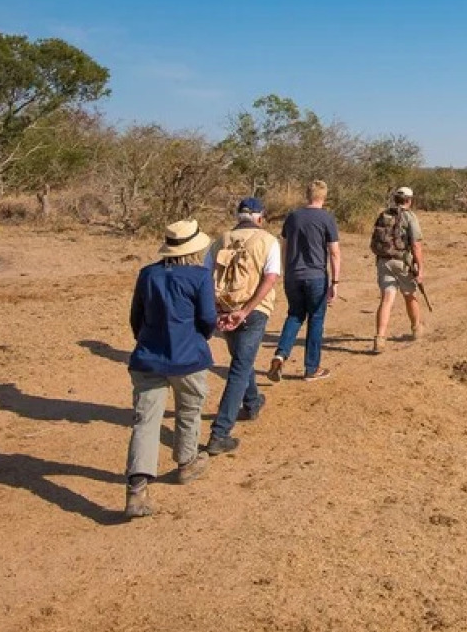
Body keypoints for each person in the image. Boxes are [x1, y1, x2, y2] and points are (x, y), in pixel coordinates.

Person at [124, 218, 216, 518]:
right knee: (189, 409)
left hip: (149, 356)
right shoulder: (200, 277)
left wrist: (148, 340)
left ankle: (137, 489)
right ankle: (186, 462)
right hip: (188, 357)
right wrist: (198, 338)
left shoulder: (147, 274)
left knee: (145, 421)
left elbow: (136, 318)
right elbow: (207, 319)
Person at [205, 197, 281, 455]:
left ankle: (251, 402)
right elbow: (271, 278)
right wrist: (246, 310)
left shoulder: (220, 240)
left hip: (224, 307)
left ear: (239, 216)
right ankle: (219, 433)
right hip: (253, 310)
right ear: (260, 217)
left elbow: (205, 276)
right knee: (239, 367)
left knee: (241, 359)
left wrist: (216, 310)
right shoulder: (269, 241)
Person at [271, 180, 341, 382]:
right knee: (316, 319)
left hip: (293, 275)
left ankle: (280, 354)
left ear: (307, 195)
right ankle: (311, 368)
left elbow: (283, 246)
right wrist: (335, 282)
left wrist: (285, 271)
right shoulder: (326, 218)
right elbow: (334, 252)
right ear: (324, 196)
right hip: (316, 276)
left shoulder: (292, 217)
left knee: (294, 315)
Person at [371, 185, 425, 354]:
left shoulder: (383, 214)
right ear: (409, 200)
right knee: (410, 295)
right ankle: (416, 329)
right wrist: (420, 268)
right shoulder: (410, 217)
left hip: (383, 261)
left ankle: (380, 338)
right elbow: (416, 245)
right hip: (402, 262)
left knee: (386, 299)